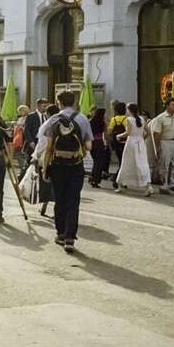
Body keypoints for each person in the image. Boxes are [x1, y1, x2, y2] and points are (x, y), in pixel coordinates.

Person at [43, 91, 93, 253]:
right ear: (74, 102)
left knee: (60, 200)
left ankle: (60, 234)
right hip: (75, 165)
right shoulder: (83, 119)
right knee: (73, 201)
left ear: (59, 102)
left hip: (57, 165)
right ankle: (70, 237)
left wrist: (45, 168)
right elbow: (89, 146)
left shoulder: (53, 120)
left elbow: (49, 147)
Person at [114, 103, 153, 196]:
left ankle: (121, 184)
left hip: (131, 142)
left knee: (126, 162)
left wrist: (119, 136)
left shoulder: (129, 119)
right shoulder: (142, 119)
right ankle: (148, 185)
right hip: (140, 142)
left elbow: (128, 132)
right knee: (142, 163)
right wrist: (142, 138)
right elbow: (149, 131)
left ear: (130, 110)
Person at [151, 98, 174, 195]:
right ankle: (164, 184)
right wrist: (158, 147)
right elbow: (157, 133)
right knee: (164, 165)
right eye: (172, 105)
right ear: (167, 106)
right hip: (165, 142)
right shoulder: (161, 118)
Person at [33, 104, 60, 217]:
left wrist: (35, 156)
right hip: (61, 157)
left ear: (48, 114)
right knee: (58, 184)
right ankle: (46, 207)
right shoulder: (62, 122)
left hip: (48, 157)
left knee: (47, 182)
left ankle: (47, 207)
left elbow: (42, 144)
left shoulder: (47, 125)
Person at [107, 102, 129, 189]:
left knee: (121, 161)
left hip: (116, 143)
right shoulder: (126, 119)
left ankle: (119, 179)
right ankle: (118, 179)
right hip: (125, 143)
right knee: (123, 162)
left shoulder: (113, 119)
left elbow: (110, 131)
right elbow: (128, 131)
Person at [88, 107, 108, 188]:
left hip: (92, 142)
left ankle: (92, 177)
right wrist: (107, 143)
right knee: (99, 162)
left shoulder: (90, 121)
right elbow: (106, 134)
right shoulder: (103, 122)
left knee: (95, 161)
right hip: (99, 142)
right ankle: (95, 180)